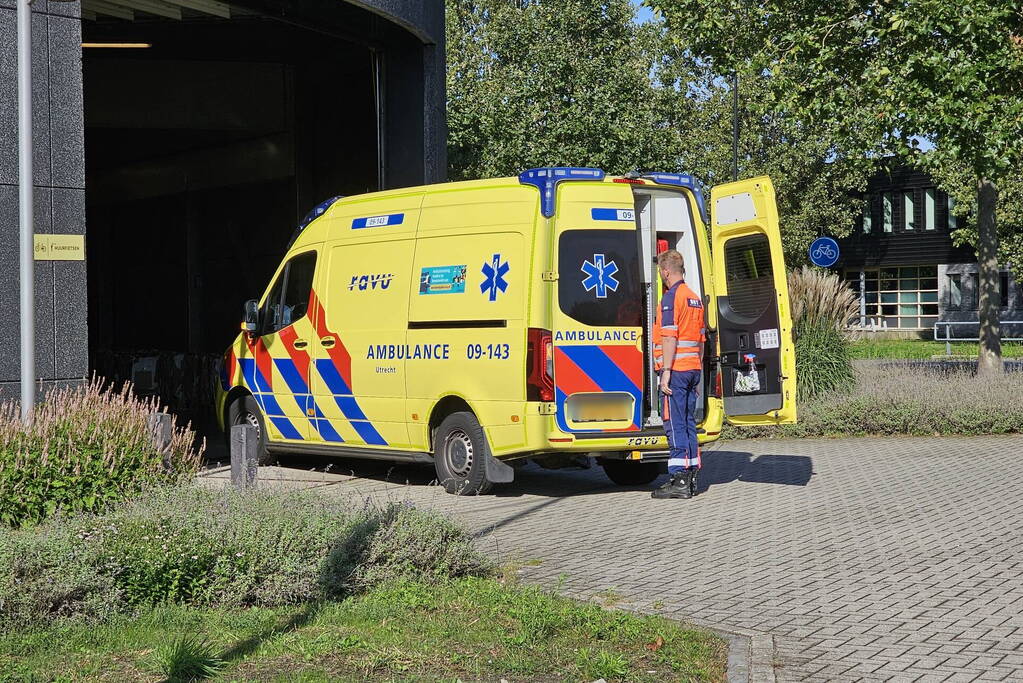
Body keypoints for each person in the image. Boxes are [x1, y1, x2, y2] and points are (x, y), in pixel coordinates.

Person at [650, 250, 705, 500]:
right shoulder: (694, 298)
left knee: (674, 423)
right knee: (688, 422)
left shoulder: (671, 298)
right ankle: (692, 475)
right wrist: (696, 366)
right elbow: (702, 340)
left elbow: (669, 335)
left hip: (677, 371)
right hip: (693, 368)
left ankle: (679, 478)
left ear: (665, 271)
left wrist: (666, 372)